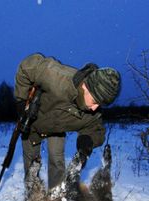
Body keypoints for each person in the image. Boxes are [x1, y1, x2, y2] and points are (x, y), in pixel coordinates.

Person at [15, 53, 120, 190]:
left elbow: (96, 130)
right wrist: (21, 102)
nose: (95, 108)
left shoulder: (91, 112)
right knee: (31, 165)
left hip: (57, 129)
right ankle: (32, 197)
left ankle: (56, 199)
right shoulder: (58, 78)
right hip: (33, 121)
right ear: (86, 87)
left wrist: (87, 141)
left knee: (57, 162)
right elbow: (27, 66)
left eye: (100, 105)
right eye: (95, 101)